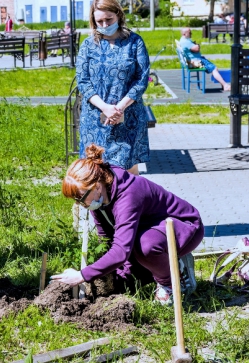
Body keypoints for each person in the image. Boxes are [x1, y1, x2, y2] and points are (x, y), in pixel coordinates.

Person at [52, 144, 203, 305]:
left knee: (145, 247)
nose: (80, 204)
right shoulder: (99, 196)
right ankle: (163, 265)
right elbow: (107, 240)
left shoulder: (128, 194)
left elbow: (121, 251)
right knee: (122, 283)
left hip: (184, 229)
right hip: (146, 232)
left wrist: (82, 275)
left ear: (96, 186)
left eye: (81, 198)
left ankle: (171, 281)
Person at [76, 0, 150, 176]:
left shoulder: (134, 42)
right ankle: (99, 204)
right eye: (99, 21)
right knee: (95, 171)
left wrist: (120, 108)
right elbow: (83, 81)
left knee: (128, 172)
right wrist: (105, 108)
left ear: (119, 15)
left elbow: (141, 78)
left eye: (108, 19)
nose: (104, 25)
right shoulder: (88, 45)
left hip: (128, 117)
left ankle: (130, 204)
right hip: (95, 119)